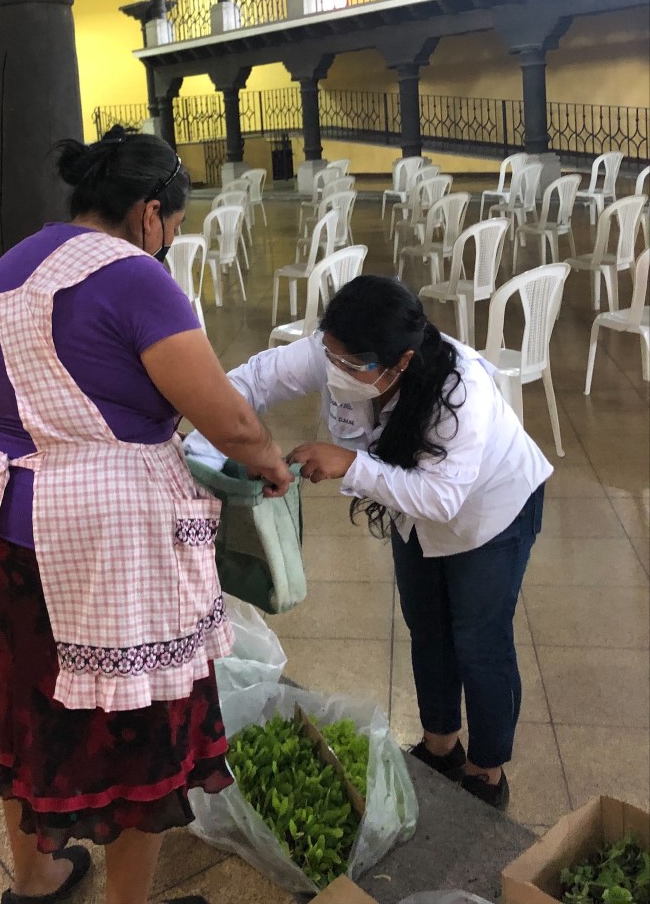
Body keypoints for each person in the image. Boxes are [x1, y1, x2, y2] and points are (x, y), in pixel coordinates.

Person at [0, 127, 293, 904]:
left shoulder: (19, 259)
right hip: (99, 537)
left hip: (6, 522)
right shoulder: (138, 278)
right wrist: (270, 461)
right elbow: (224, 418)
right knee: (140, 720)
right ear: (148, 212)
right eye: (171, 224)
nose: (170, 239)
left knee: (28, 703)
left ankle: (35, 879)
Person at [185, 274, 551, 813]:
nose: (335, 370)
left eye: (350, 363)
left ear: (401, 361)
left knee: (479, 639)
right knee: (426, 625)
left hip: (491, 515)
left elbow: (442, 498)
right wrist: (214, 442)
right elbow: (255, 380)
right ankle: (440, 745)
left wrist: (349, 464)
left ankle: (485, 771)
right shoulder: (338, 352)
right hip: (415, 514)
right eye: (329, 354)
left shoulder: (460, 391)